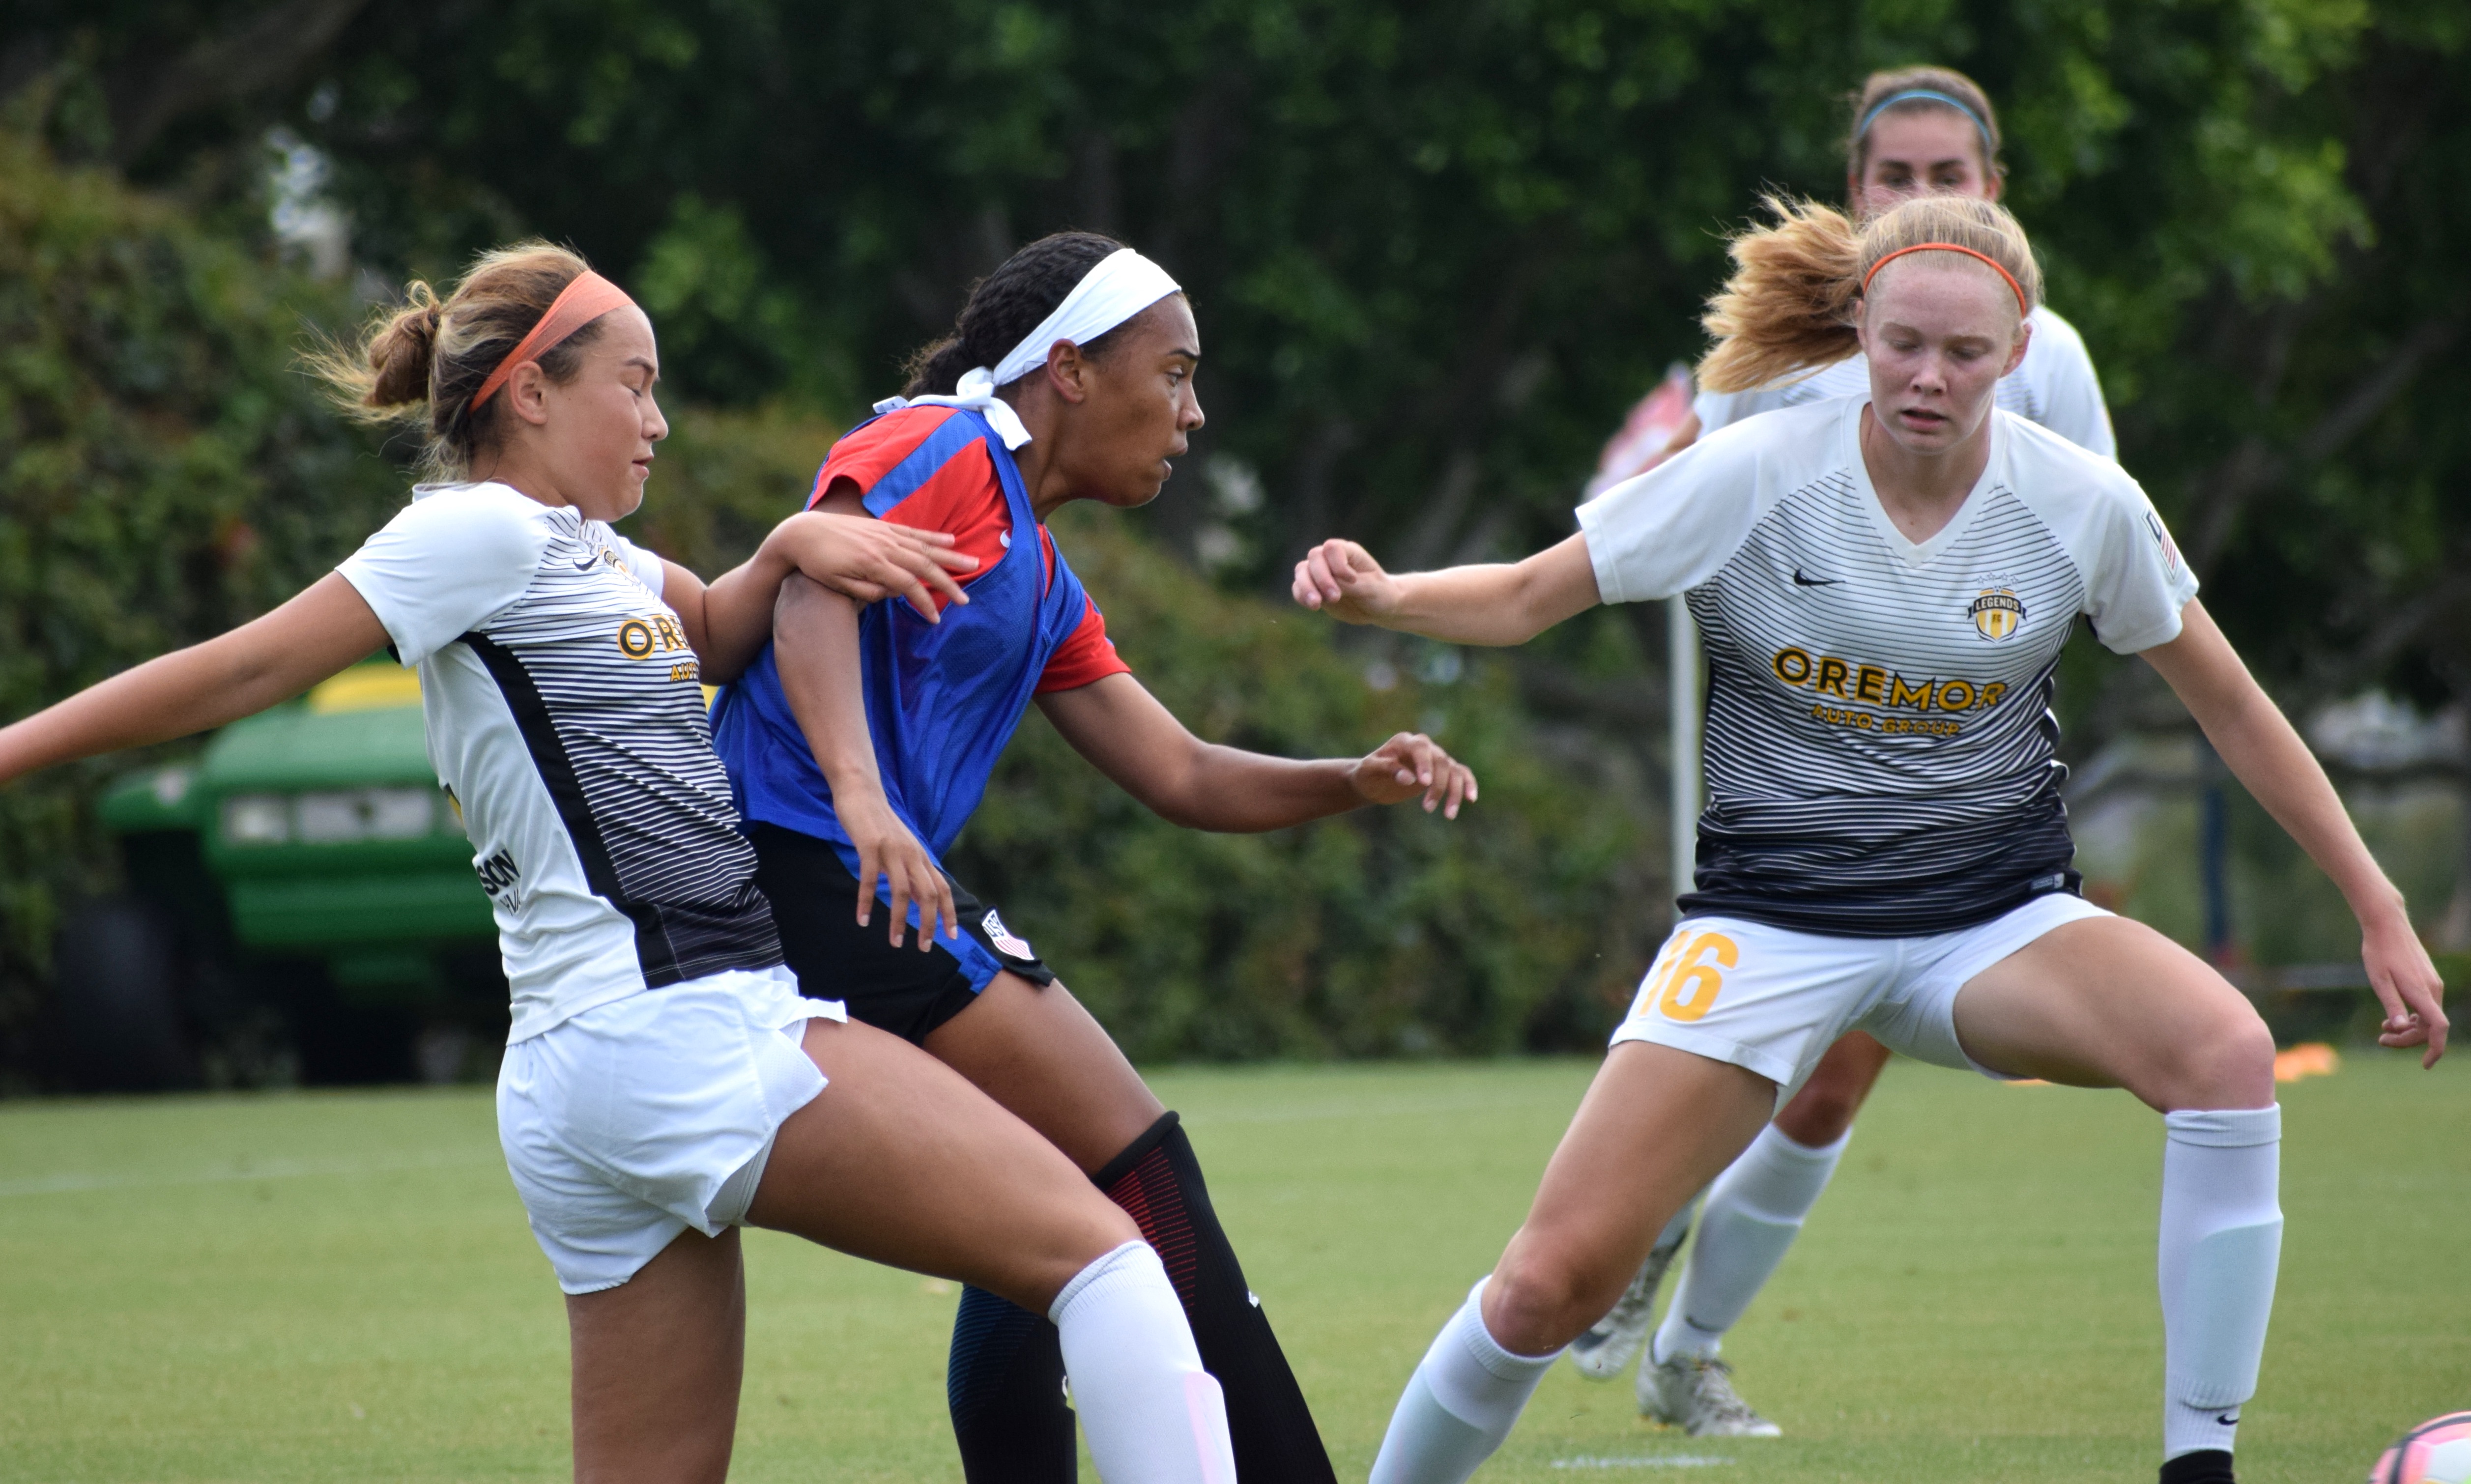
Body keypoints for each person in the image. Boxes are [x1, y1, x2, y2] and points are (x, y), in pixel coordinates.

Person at [0, 242, 1243, 1484]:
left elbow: (713, 624)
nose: (658, 420)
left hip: (575, 1070)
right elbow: (243, 668)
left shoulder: (588, 553)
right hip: (678, 1029)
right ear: (532, 392)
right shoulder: (479, 531)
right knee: (1111, 1260)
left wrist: (800, 543)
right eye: (633, 386)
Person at [1294, 194, 2447, 1484]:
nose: (1927, 376)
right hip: (1768, 923)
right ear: (1858, 329)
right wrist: (1383, 593)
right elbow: (1521, 596)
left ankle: (2200, 1468)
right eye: (1902, 343)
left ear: (2018, 355)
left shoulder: (2081, 505)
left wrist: (2377, 904)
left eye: (1964, 354)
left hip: (1992, 923)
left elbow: (2231, 704)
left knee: (2226, 1049)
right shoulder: (1752, 473)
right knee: (1545, 1286)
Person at [710, 229, 1476, 1484]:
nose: (1195, 410)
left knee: (1055, 1213)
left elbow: (1180, 772)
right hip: (815, 865)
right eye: (1172, 374)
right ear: (1066, 368)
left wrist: (1355, 779)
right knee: (1139, 1162)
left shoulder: (1040, 564)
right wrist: (860, 796)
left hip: (846, 876)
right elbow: (812, 584)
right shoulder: (940, 445)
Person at [1569, 62, 2125, 1437]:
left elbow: (2102, 560)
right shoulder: (1786, 357)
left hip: (1955, 796)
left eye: (1950, 176)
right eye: (1896, 177)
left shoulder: (2046, 357)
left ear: (1991, 193)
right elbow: (1698, 529)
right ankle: (1631, 1243)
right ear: (1853, 189)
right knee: (1780, 1068)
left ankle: (1681, 1345)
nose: (1922, 196)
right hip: (1796, 779)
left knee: (1829, 1084)